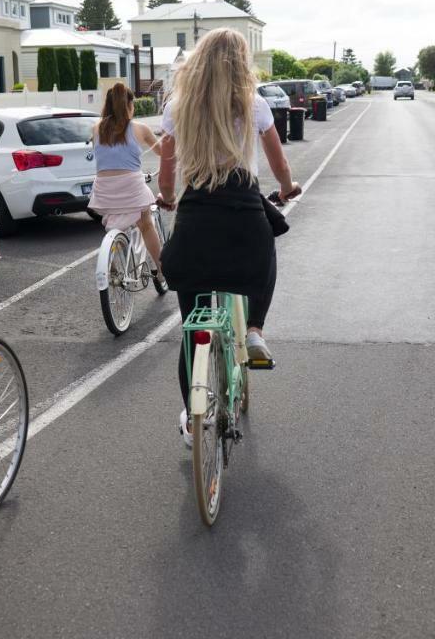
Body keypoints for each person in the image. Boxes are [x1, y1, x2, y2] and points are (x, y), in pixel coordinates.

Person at [156, 28, 301, 446]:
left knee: (190, 328)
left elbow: (167, 175)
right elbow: (280, 162)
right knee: (265, 253)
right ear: (241, 63)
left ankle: (192, 418)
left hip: (196, 221)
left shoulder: (177, 107)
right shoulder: (254, 104)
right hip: (243, 219)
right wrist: (288, 187)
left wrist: (167, 198)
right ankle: (254, 327)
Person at [87, 83, 166, 293]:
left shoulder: (96, 128)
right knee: (146, 224)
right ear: (129, 105)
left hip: (104, 191)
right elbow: (162, 152)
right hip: (130, 186)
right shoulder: (140, 129)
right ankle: (162, 269)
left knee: (114, 224)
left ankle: (112, 264)